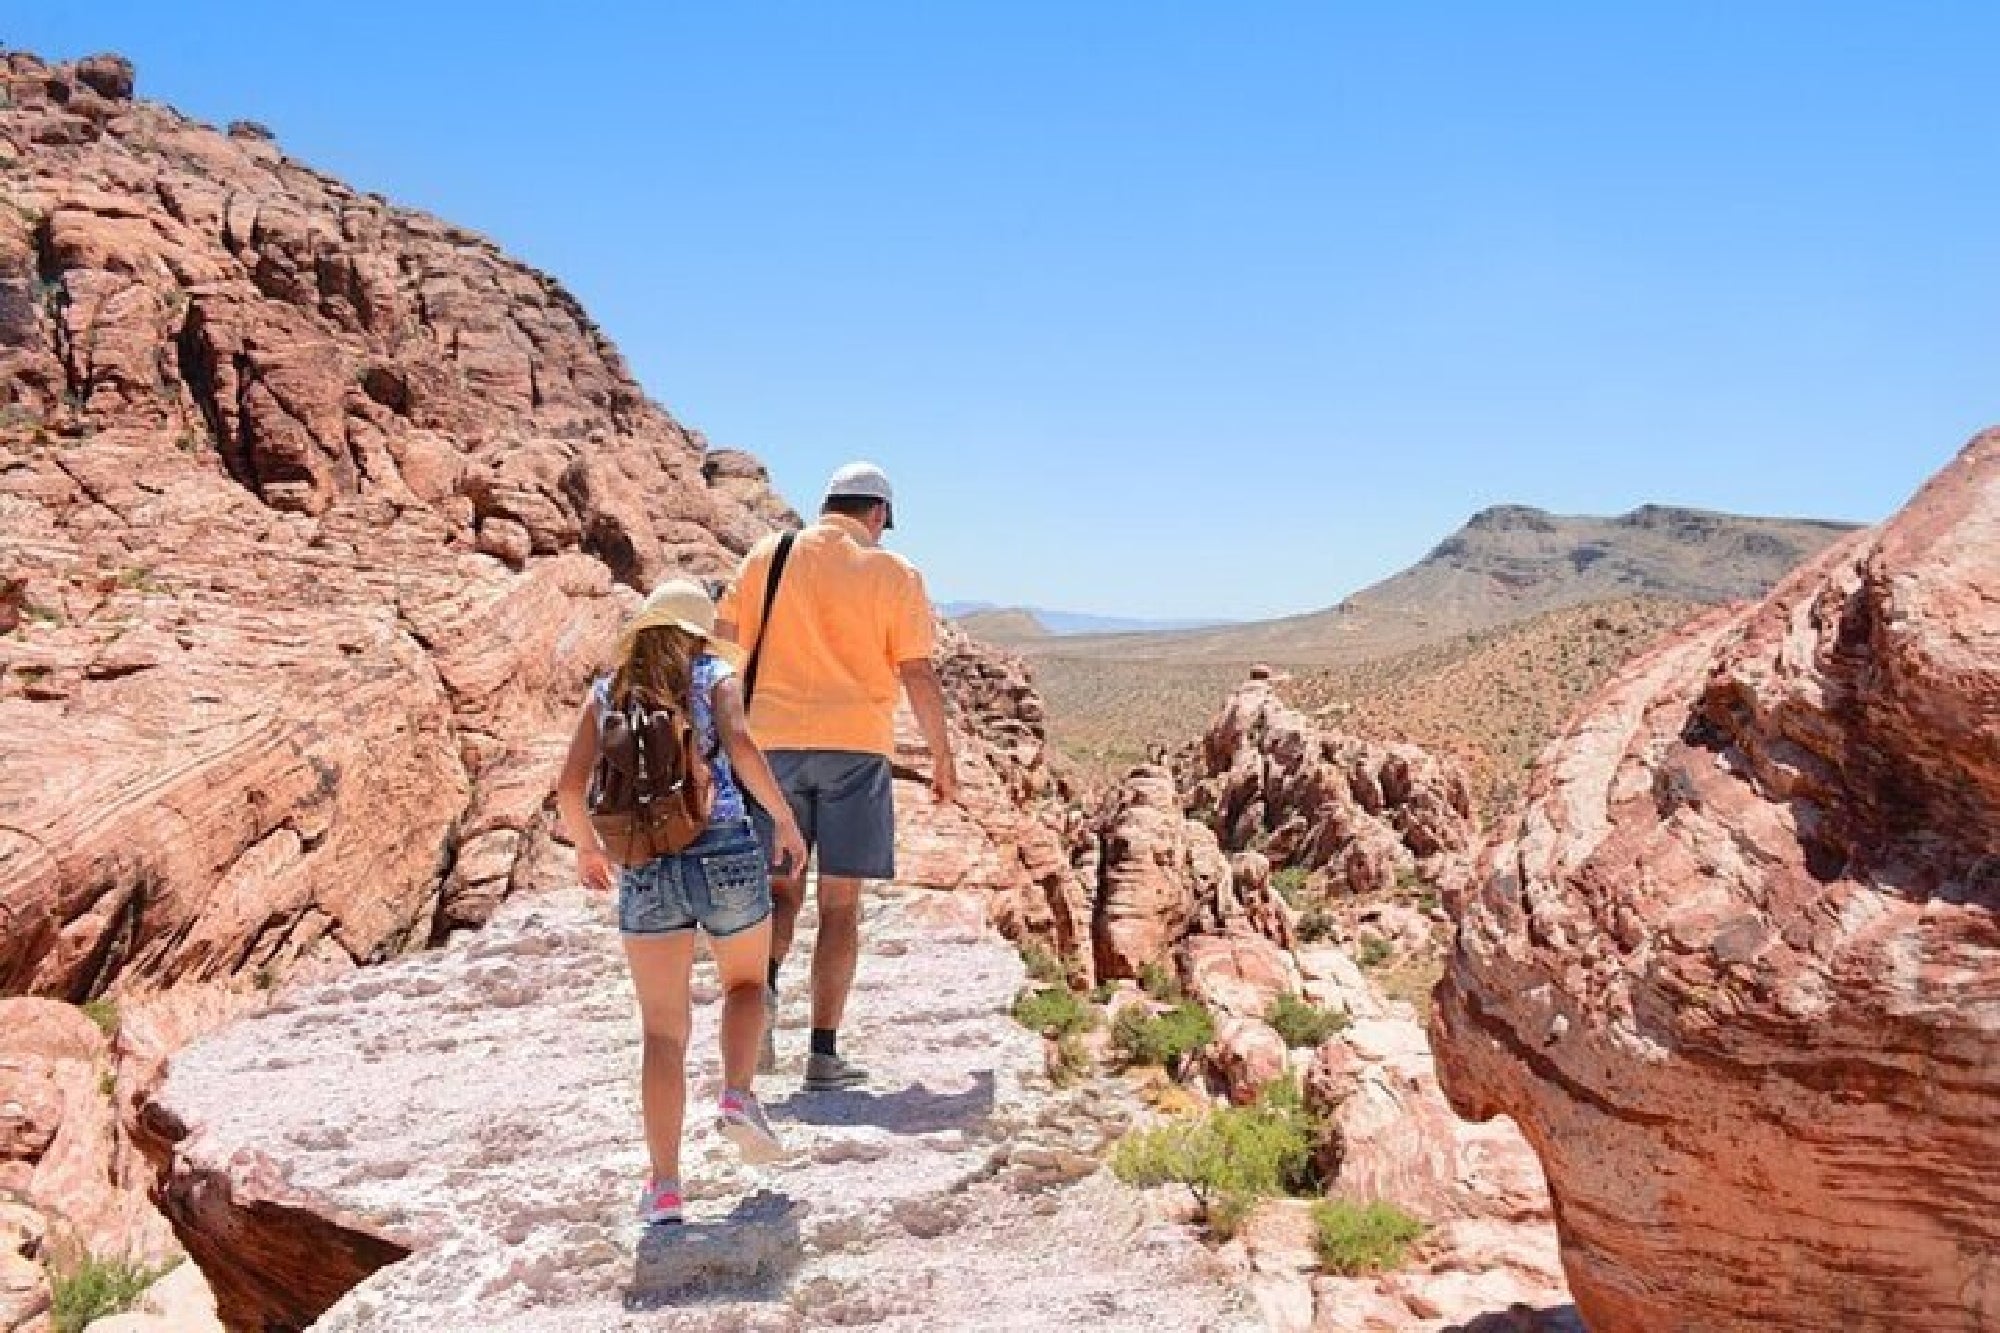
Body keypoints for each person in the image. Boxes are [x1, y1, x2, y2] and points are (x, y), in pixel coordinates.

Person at [555, 578, 810, 1227]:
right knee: (747, 981)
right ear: (695, 631)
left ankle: (665, 1188)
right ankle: (736, 1094)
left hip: (644, 862)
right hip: (723, 843)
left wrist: (589, 849)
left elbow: (568, 787)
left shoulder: (607, 691)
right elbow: (744, 747)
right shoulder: (712, 673)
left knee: (663, 1030)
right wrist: (782, 820)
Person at [716, 461, 959, 1092]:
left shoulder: (769, 554)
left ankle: (763, 997)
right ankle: (823, 1056)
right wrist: (942, 756)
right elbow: (918, 673)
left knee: (780, 891)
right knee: (841, 907)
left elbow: (722, 646)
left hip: (772, 750)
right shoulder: (893, 573)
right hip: (856, 751)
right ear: (877, 514)